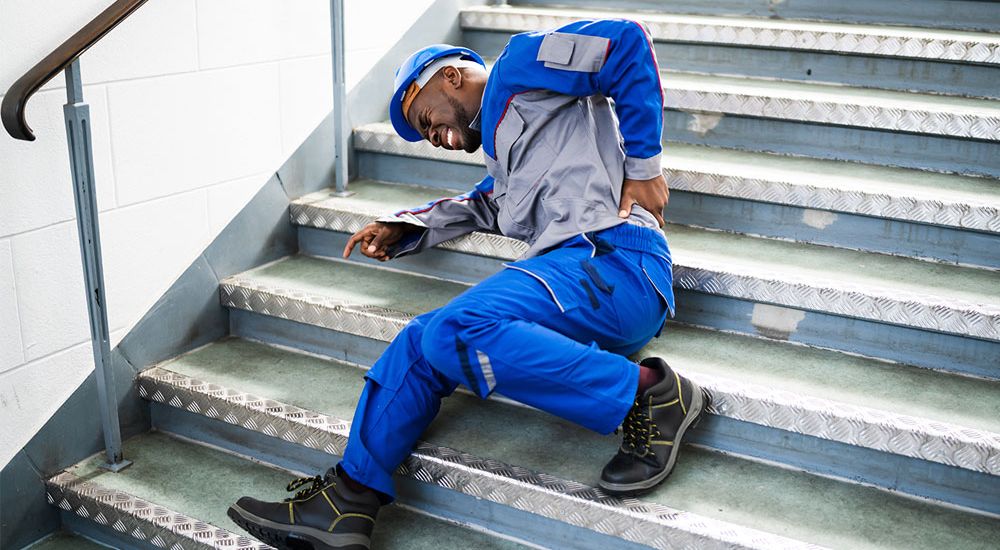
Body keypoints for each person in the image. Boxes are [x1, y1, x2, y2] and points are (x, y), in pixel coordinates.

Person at [228, 18, 706, 550]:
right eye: (425, 135)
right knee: (419, 341)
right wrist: (404, 227)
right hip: (577, 284)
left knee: (455, 329)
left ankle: (650, 392)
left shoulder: (518, 67)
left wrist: (644, 166)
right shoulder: (504, 162)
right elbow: (481, 204)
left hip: (616, 260)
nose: (433, 137)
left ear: (451, 77)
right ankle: (348, 501)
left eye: (425, 119)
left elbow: (626, 43)